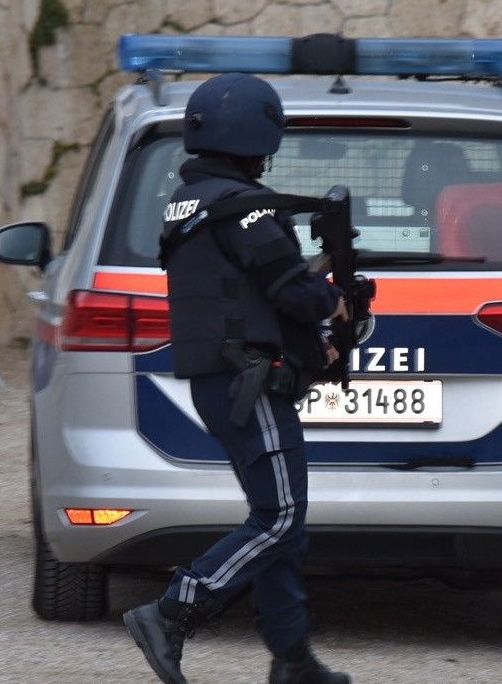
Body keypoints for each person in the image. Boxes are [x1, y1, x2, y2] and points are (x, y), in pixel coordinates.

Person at [122, 72, 351, 684]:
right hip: (248, 382)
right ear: (257, 138)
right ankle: (171, 614)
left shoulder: (192, 202)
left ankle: (291, 659)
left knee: (281, 525)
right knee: (278, 520)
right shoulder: (245, 210)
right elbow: (288, 288)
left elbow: (245, 292)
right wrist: (334, 305)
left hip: (224, 380)